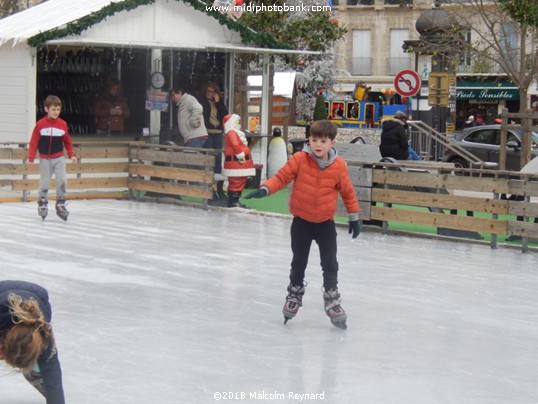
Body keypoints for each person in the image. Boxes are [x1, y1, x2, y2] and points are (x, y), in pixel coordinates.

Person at [245, 120, 360, 330]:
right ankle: (294, 293)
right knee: (299, 261)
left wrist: (354, 216)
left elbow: (347, 191)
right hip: (301, 222)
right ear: (309, 139)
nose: (317, 144)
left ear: (332, 142)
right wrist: (265, 189)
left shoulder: (339, 166)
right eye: (314, 139)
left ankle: (332, 298)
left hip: (325, 223)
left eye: (323, 141)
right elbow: (281, 177)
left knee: (330, 263)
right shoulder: (299, 159)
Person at [0, 280, 65, 404]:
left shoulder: (44, 337)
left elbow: (52, 373)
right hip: (4, 295)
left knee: (41, 365)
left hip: (38, 299)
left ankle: (34, 372)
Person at [28, 95, 78, 221]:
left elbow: (67, 141)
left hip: (58, 157)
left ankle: (60, 203)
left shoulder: (62, 124)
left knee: (62, 180)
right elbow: (34, 142)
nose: (56, 112)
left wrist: (71, 155)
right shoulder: (40, 125)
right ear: (46, 109)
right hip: (45, 158)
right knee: (44, 182)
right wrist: (31, 158)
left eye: (58, 109)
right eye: (53, 109)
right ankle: (43, 202)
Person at [221, 114, 255, 208]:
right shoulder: (232, 132)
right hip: (236, 162)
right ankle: (233, 202)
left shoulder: (234, 132)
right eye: (237, 121)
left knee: (239, 181)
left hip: (239, 164)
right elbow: (235, 144)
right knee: (236, 181)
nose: (239, 122)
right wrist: (240, 155)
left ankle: (235, 201)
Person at [199, 82, 229, 175]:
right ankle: (207, 176)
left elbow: (225, 115)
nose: (209, 93)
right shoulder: (202, 102)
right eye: (208, 91)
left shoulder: (219, 103)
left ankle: (217, 178)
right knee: (208, 155)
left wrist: (218, 102)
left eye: (212, 91)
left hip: (218, 132)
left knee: (218, 156)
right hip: (207, 132)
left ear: (216, 93)